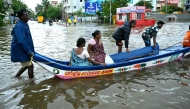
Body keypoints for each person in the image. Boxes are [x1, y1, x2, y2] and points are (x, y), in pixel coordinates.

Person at [11, 9, 35, 78]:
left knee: (26, 65)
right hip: (20, 49)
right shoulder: (19, 26)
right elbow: (21, 41)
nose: (28, 16)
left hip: (23, 49)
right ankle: (31, 82)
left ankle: (16, 77)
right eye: (26, 15)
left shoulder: (24, 24)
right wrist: (29, 52)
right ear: (21, 16)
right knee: (30, 66)